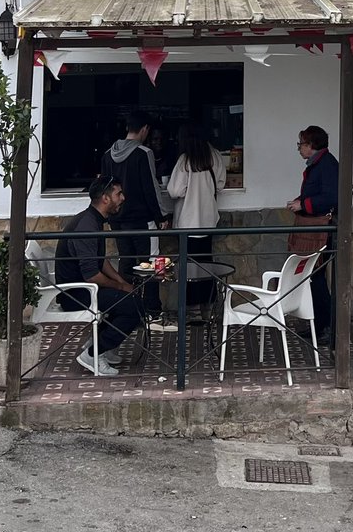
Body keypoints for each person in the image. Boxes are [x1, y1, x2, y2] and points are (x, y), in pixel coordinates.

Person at [55, 176, 145, 376]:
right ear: (105, 198)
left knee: (129, 298)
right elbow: (92, 275)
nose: (122, 198)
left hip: (83, 288)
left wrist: (121, 282)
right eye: (118, 194)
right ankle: (93, 353)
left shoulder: (93, 219)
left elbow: (100, 260)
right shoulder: (87, 226)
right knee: (134, 307)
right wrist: (120, 287)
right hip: (76, 294)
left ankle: (100, 344)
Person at [99, 111, 174, 329]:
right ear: (144, 130)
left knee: (127, 263)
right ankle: (152, 312)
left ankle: (127, 310)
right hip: (142, 221)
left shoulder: (107, 155)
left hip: (117, 221)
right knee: (150, 264)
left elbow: (103, 189)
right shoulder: (144, 153)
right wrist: (161, 217)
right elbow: (150, 187)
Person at [166, 124, 227, 307]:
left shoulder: (185, 160)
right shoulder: (215, 155)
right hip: (208, 220)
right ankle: (207, 305)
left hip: (187, 222)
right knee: (206, 262)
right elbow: (221, 184)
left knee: (188, 265)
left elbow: (174, 191)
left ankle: (190, 308)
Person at [288, 125, 339, 340]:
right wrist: (301, 202)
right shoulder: (318, 164)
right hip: (314, 227)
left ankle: (326, 326)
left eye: (301, 144)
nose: (299, 148)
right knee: (311, 276)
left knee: (317, 276)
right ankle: (318, 324)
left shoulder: (326, 164)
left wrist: (304, 205)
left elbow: (331, 197)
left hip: (321, 229)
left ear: (311, 145)